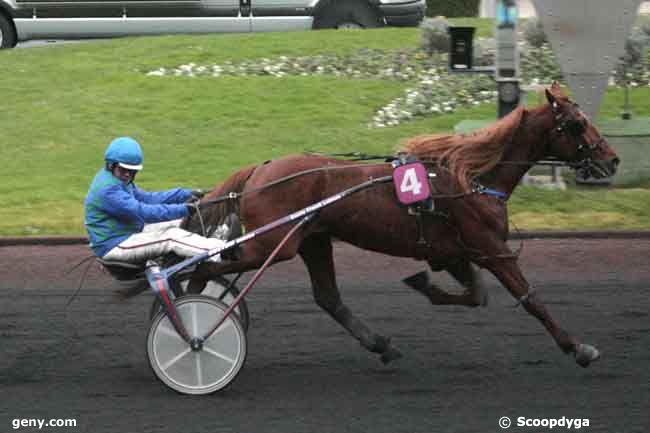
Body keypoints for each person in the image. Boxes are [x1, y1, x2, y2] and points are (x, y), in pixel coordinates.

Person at [84, 137, 227, 264]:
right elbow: (144, 212)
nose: (128, 175)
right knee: (171, 237)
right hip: (114, 244)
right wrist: (185, 209)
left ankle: (220, 233)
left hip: (131, 230)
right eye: (123, 170)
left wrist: (187, 194)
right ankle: (221, 252)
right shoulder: (108, 190)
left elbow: (149, 199)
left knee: (182, 222)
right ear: (111, 165)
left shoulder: (118, 179)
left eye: (132, 171)